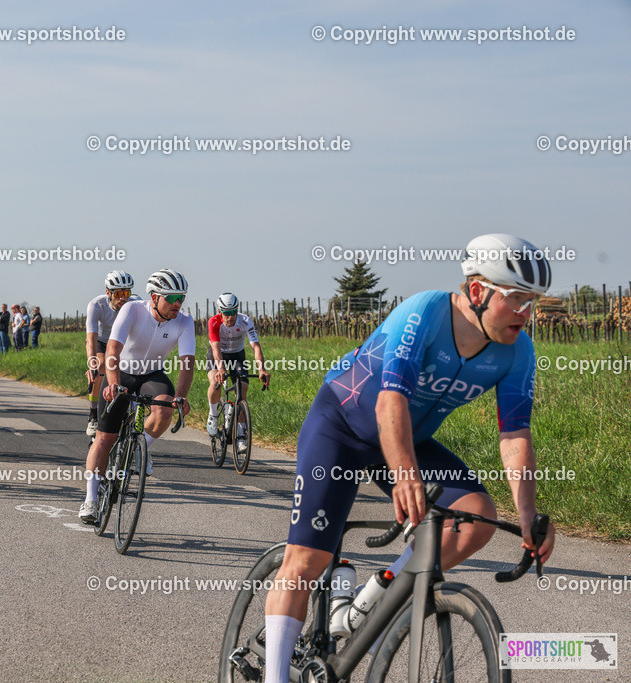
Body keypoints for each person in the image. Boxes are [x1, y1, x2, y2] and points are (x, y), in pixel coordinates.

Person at [261, 234, 558, 683]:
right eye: (516, 299)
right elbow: (389, 403)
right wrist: (405, 477)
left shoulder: (518, 352)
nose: (526, 313)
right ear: (477, 292)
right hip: (342, 426)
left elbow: (514, 434)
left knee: (475, 516)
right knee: (306, 560)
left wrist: (529, 514)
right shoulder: (423, 313)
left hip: (404, 440)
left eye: (531, 302)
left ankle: (377, 594)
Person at [79, 269, 195, 523]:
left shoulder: (184, 321)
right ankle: (90, 498)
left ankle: (142, 447)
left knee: (166, 409)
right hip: (122, 373)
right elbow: (112, 348)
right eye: (172, 297)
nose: (178, 303)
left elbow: (187, 363)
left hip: (152, 374)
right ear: (154, 297)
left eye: (181, 298)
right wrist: (112, 384)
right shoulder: (132, 310)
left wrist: (181, 396)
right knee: (104, 438)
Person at [205, 292, 270, 455]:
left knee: (242, 390)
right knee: (215, 382)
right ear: (220, 312)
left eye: (233, 311)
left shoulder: (245, 321)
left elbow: (255, 346)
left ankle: (241, 435)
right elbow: (215, 348)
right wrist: (221, 368)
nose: (230, 316)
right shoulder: (213, 322)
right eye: (226, 313)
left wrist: (261, 369)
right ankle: (213, 415)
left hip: (237, 355)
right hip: (218, 354)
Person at [85, 270, 135, 437]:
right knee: (100, 366)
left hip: (123, 343)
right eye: (119, 293)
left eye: (127, 293)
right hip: (103, 342)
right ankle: (93, 414)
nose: (123, 298)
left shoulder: (135, 303)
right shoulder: (96, 305)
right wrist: (91, 363)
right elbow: (91, 338)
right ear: (108, 293)